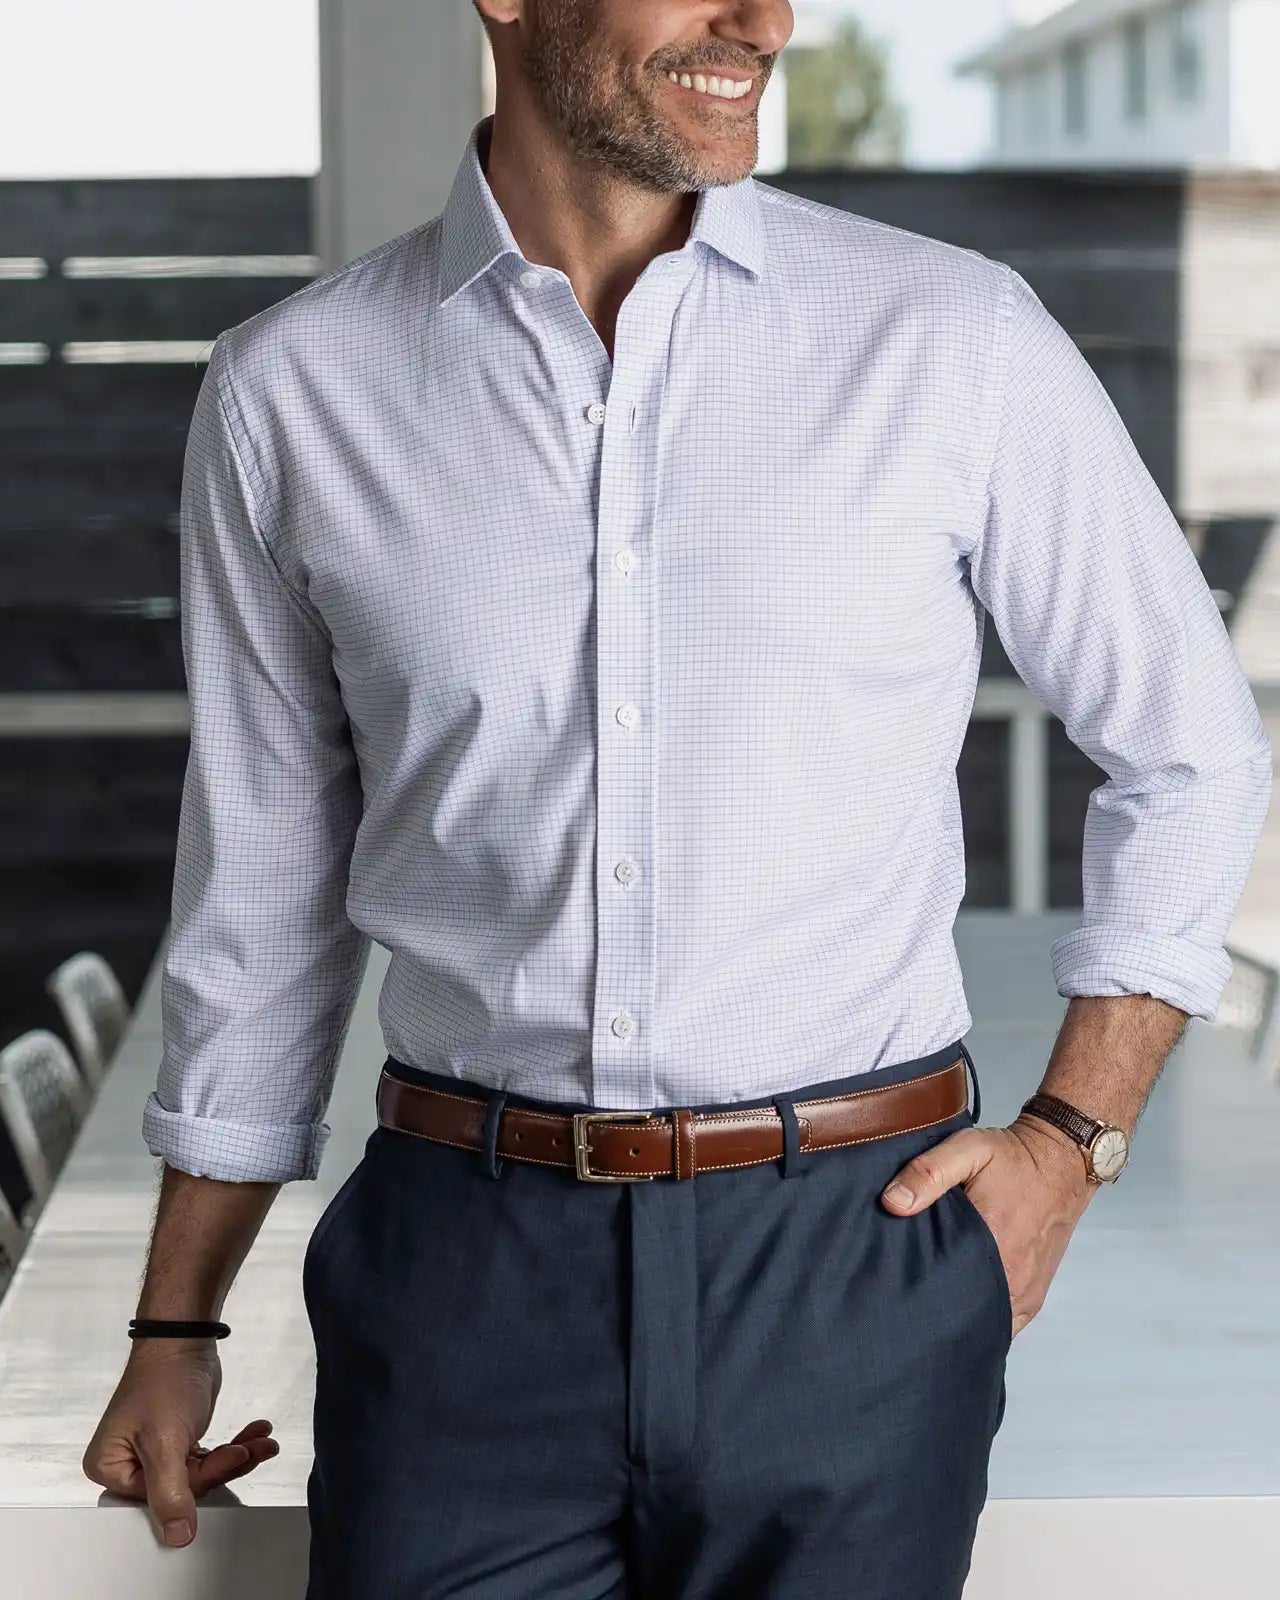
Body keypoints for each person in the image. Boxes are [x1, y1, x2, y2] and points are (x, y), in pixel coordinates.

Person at [82, 1, 1272, 1595]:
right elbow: (264, 894)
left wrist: (1072, 1139)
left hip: (855, 1257)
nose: (763, 22)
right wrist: (178, 1322)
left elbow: (1191, 746)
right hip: (460, 1279)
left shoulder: (951, 337)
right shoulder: (294, 393)